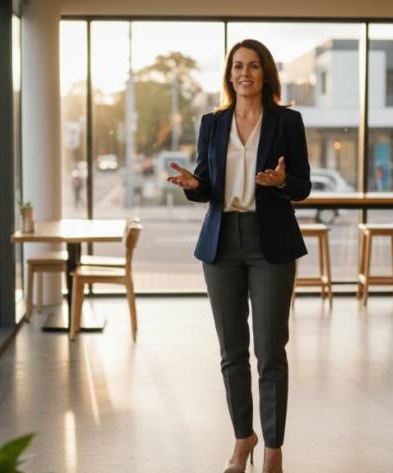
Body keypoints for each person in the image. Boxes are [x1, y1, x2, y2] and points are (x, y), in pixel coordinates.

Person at [167, 39, 310, 473]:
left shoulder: (287, 121)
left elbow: (301, 187)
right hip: (221, 243)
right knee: (232, 352)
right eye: (236, 67)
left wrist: (281, 182)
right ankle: (242, 437)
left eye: (252, 66)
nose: (244, 73)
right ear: (229, 75)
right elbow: (208, 185)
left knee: (270, 351)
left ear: (265, 73)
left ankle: (273, 449)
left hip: (273, 245)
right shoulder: (213, 123)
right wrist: (196, 186)